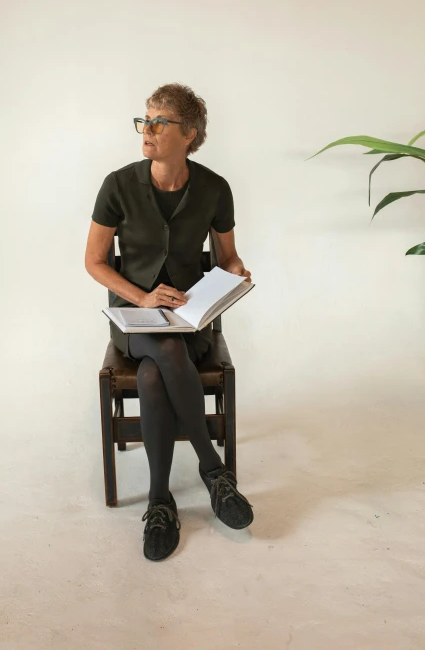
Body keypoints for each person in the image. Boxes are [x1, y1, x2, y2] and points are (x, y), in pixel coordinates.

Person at [85, 82, 254, 561]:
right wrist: (141, 298)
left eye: (161, 122)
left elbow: (229, 258)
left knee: (157, 371)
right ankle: (213, 469)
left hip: (191, 322)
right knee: (162, 348)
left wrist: (236, 276)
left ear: (190, 134)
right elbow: (95, 262)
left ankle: (160, 502)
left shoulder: (215, 189)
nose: (148, 130)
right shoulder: (118, 185)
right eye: (145, 119)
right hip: (134, 322)